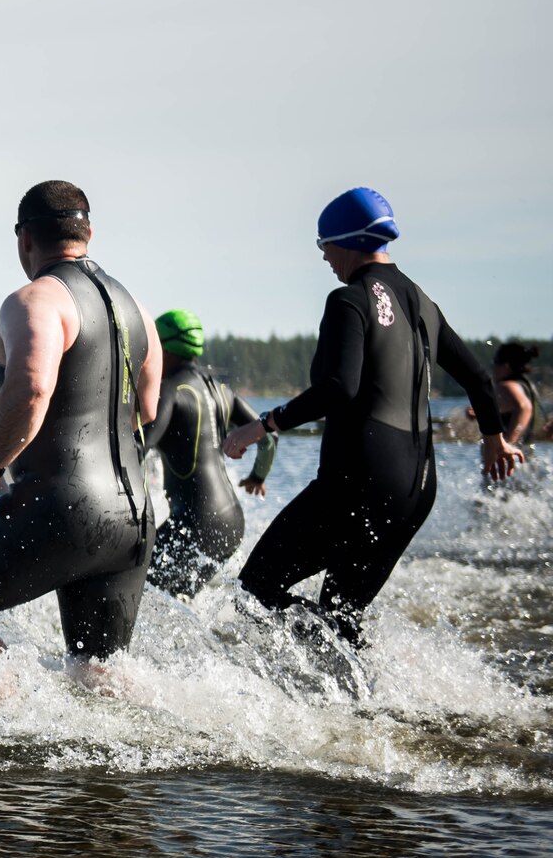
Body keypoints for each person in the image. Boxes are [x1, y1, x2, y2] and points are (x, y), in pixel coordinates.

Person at [222, 187, 524, 648]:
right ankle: (364, 700)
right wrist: (493, 438)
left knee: (252, 592)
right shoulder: (423, 302)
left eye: (324, 247)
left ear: (345, 241)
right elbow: (479, 378)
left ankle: (306, 696)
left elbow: (339, 387)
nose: (325, 259)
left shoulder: (349, 301)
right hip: (416, 490)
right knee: (342, 618)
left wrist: (260, 426)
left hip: (358, 482)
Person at [0, 181, 161, 679]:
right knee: (96, 675)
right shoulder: (135, 307)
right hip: (133, 514)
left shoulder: (34, 300)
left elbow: (32, 389)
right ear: (89, 232)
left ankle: (10, 723)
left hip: (62, 505)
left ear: (24, 239)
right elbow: (147, 406)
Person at [141, 309, 276, 598]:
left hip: (196, 524)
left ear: (164, 348)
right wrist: (258, 475)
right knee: (179, 603)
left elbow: (140, 447)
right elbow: (269, 436)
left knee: (137, 590)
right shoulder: (221, 390)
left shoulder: (171, 389)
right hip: (231, 523)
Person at [490, 342, 538, 450]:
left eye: (494, 363)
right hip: (525, 457)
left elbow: (524, 408)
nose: (493, 368)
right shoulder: (527, 385)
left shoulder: (506, 387)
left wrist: (508, 444)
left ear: (505, 367)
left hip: (510, 459)